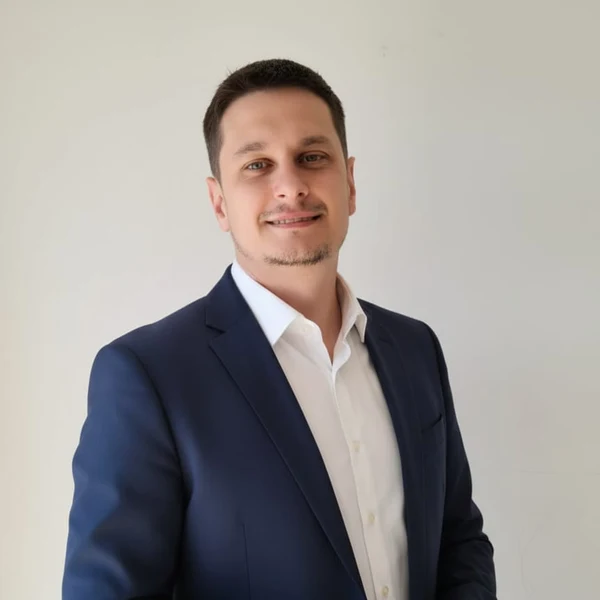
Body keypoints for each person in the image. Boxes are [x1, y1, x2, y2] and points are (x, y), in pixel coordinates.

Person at [63, 58, 496, 600]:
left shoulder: (415, 349)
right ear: (219, 202)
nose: (290, 186)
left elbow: (459, 538)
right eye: (257, 165)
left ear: (350, 183)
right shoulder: (148, 376)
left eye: (311, 157)